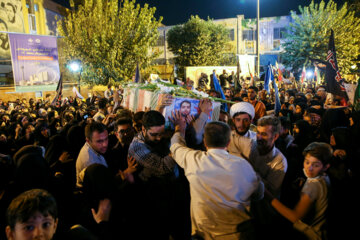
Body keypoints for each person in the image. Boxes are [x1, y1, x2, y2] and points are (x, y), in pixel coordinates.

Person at [170, 116, 264, 239]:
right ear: (229, 142)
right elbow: (259, 194)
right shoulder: (244, 165)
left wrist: (179, 129)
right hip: (238, 234)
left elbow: (176, 147)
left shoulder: (194, 160)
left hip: (203, 234)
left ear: (205, 142)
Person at [265, 142, 332, 239]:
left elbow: (295, 217)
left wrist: (268, 196)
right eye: (307, 162)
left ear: (326, 166)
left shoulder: (312, 186)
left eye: (316, 165)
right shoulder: (324, 177)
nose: (309, 168)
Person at [76, 122, 109, 187]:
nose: (105, 144)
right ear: (88, 141)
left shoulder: (92, 147)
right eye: (99, 141)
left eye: (106, 139)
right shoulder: (90, 161)